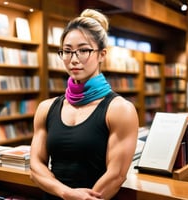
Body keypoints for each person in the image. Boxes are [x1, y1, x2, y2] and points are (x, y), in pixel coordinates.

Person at [30, 8, 139, 200]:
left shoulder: (120, 110)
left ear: (102, 54)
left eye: (83, 50)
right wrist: (66, 193)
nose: (74, 59)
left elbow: (116, 175)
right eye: (67, 51)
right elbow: (36, 167)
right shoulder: (46, 108)